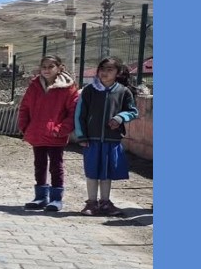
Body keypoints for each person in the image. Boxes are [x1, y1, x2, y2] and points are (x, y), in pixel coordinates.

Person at [75, 57, 138, 216]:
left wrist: (120, 118)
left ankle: (105, 202)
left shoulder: (123, 92)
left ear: (118, 72)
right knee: (92, 172)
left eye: (110, 69)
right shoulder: (89, 90)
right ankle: (91, 203)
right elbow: (79, 114)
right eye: (102, 68)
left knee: (106, 173)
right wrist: (82, 136)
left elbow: (132, 112)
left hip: (112, 140)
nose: (105, 72)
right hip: (91, 140)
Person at [17, 55, 79, 212]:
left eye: (50, 66)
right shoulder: (34, 86)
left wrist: (61, 129)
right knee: (39, 164)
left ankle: (56, 198)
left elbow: (72, 112)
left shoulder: (68, 88)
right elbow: (24, 107)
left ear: (59, 68)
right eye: (43, 66)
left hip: (55, 134)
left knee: (56, 166)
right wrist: (25, 126)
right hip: (37, 132)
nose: (46, 70)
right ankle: (40, 197)